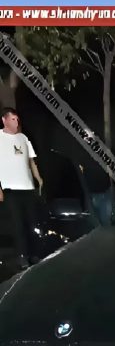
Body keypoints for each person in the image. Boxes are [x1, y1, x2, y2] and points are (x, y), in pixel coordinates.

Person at [0, 108, 45, 269]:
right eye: (13, 119)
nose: (16, 122)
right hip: (10, 189)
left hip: (28, 187)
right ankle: (22, 256)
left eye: (17, 119)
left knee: (32, 221)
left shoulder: (23, 138)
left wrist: (38, 178)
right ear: (4, 120)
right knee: (18, 224)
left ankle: (34, 254)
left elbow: (31, 161)